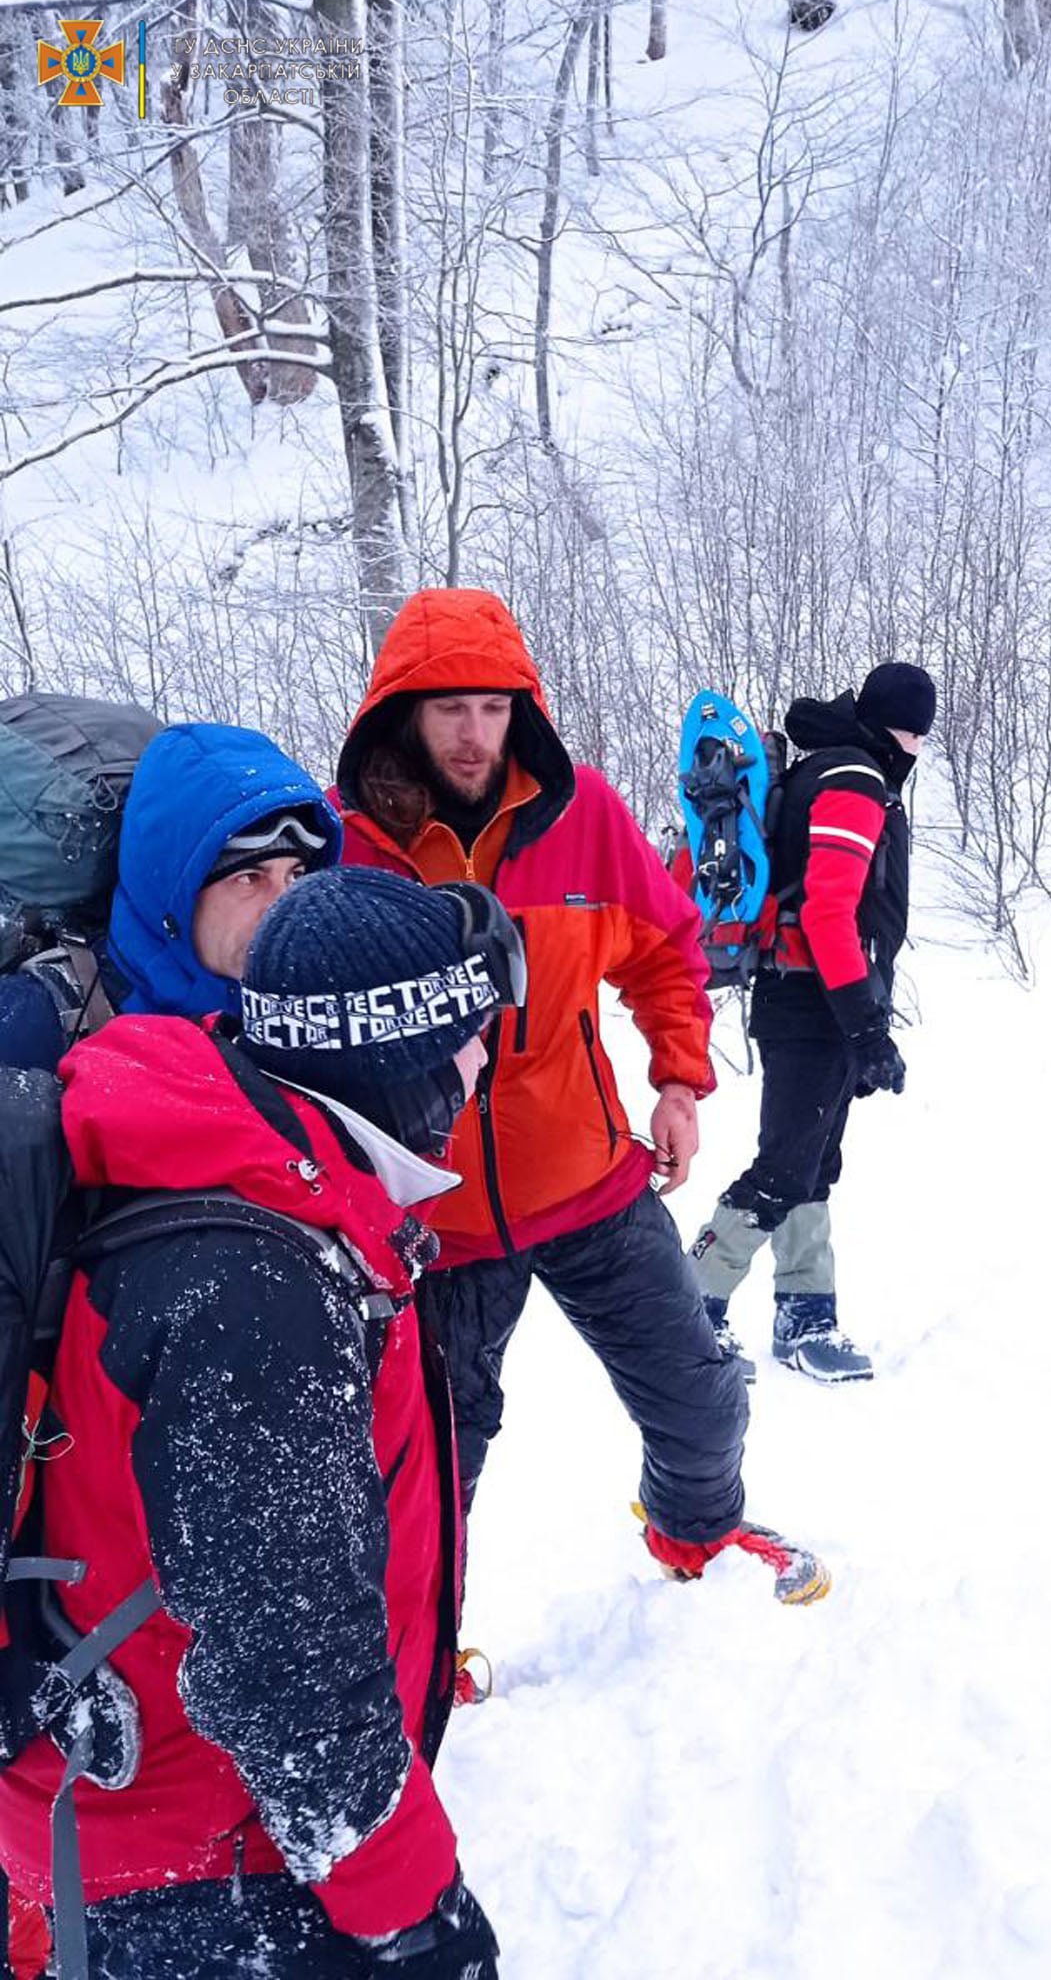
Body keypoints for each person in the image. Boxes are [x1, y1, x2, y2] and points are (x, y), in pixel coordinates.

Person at [0, 865, 517, 1977]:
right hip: (189, 1856)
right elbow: (287, 1667)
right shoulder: (254, 1286)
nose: (485, 1063)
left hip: (151, 1791)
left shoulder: (249, 1165)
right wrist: (414, 1911)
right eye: (475, 1036)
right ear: (405, 1056)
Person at [333, 586, 825, 1603]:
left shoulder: (581, 813)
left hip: (592, 1179)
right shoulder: (354, 849)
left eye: (493, 706)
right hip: (437, 1215)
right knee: (433, 1458)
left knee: (700, 1397)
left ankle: (695, 1533)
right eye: (448, 708)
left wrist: (681, 1081)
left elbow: (663, 950)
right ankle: (420, 1637)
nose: (473, 734)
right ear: (403, 713)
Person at [689, 661, 936, 1383]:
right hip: (814, 1000)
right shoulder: (854, 780)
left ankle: (806, 1314)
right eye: (920, 735)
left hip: (806, 995)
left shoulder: (826, 770)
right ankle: (688, 1311)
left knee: (811, 1164)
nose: (919, 751)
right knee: (783, 1167)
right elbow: (829, 912)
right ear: (907, 731)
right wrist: (865, 1027)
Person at [0, 721, 341, 1071]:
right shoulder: (35, 1021)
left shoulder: (312, 1013)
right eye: (249, 878)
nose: (283, 908)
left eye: (295, 875)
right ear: (174, 890)